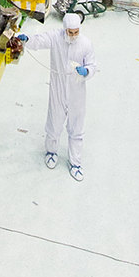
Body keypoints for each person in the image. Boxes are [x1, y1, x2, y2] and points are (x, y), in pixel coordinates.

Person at [22, 10, 97, 179]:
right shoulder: (56, 37)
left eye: (76, 32)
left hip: (77, 90)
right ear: (64, 30)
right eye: (70, 33)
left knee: (76, 127)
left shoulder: (85, 43)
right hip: (58, 88)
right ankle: (51, 152)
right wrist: (28, 40)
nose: (73, 35)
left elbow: (92, 65)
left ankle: (76, 163)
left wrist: (86, 71)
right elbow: (40, 40)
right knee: (54, 123)